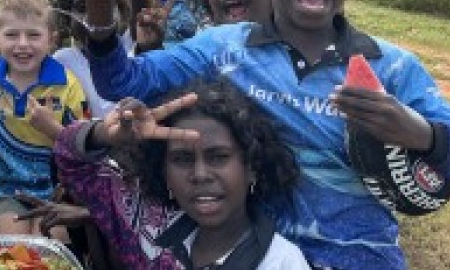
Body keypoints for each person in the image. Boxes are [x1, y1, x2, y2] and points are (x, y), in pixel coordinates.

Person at [80, 0, 450, 270]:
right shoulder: (223, 48)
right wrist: (99, 5)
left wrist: (419, 132)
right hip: (260, 257)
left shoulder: (391, 68)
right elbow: (122, 80)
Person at [57, 80, 309, 269]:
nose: (200, 175)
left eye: (219, 157)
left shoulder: (281, 262)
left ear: (251, 166)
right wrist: (105, 134)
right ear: (163, 172)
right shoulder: (149, 229)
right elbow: (72, 162)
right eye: (182, 159)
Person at [0, 0, 89, 236]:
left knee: (49, 241)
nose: (23, 44)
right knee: (11, 239)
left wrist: (51, 128)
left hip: (56, 193)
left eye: (34, 35)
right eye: (12, 35)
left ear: (52, 40)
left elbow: (81, 146)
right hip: (3, 189)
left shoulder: (67, 85)